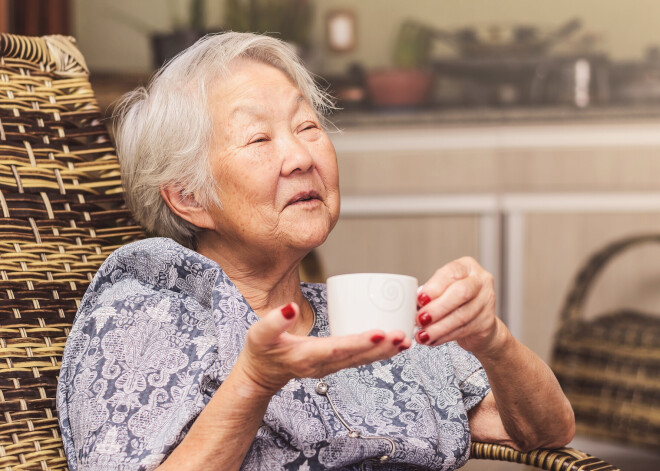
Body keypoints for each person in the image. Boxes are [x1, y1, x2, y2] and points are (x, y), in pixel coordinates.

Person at [56, 32, 575, 471]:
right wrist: (256, 381)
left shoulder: (362, 320)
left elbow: (542, 432)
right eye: (259, 139)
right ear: (190, 198)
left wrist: (493, 341)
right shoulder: (145, 314)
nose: (301, 156)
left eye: (307, 127)